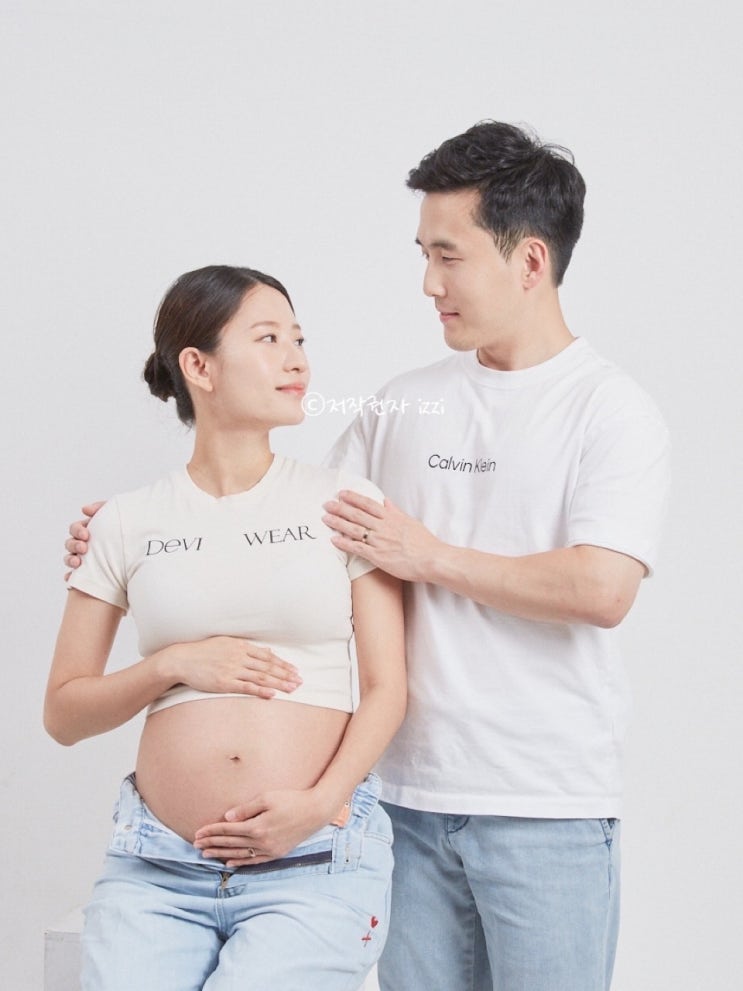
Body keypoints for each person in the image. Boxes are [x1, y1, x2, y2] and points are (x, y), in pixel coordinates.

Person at [65, 121, 671, 991]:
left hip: (542, 802)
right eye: (423, 255)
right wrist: (121, 537)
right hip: (402, 801)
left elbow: (601, 587)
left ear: (529, 261)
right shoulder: (403, 405)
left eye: (447, 256)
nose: (428, 282)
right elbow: (285, 512)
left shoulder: (609, 410)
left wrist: (428, 555)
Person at [47, 265, 406, 991]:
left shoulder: (343, 502)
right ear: (199, 366)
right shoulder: (124, 521)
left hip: (314, 859)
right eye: (268, 339)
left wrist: (317, 805)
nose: (296, 360)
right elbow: (64, 713)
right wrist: (171, 663)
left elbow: (387, 688)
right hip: (156, 867)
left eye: (299, 340)